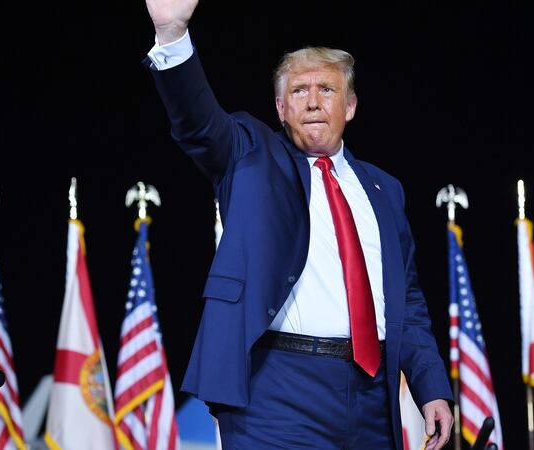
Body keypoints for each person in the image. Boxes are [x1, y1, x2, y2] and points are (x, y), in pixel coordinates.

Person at [142, 0, 454, 448]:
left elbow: (407, 300)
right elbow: (198, 125)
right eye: (298, 92)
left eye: (326, 90)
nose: (311, 102)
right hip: (277, 390)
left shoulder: (386, 189)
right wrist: (172, 35)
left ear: (350, 106)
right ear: (280, 108)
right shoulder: (250, 156)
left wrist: (432, 389)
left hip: (373, 394)